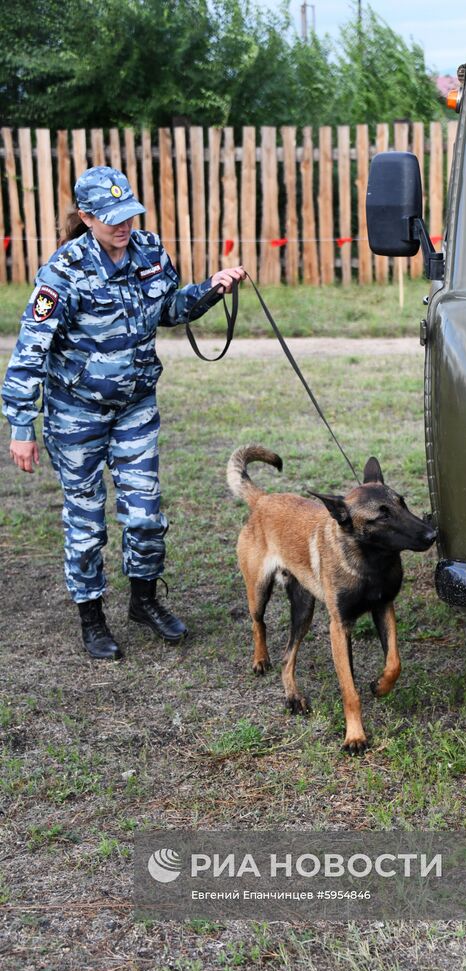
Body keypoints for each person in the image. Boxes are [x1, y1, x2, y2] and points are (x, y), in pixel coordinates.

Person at [2, 165, 246, 661]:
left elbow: (169, 310)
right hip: (76, 414)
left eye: (129, 215)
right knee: (87, 520)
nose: (123, 226)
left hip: (135, 407)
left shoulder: (150, 251)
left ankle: (144, 602)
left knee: (146, 516)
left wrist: (211, 289)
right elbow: (29, 350)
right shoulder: (62, 272)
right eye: (111, 218)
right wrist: (21, 426)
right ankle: (92, 618)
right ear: (87, 216)